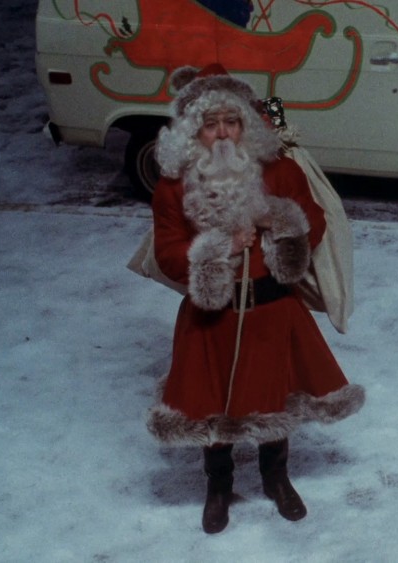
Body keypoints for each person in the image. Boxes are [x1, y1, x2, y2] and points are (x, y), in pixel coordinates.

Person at [146, 63, 365, 534]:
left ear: (247, 124)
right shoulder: (173, 186)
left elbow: (315, 224)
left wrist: (276, 218)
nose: (223, 133)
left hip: (271, 310)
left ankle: (276, 477)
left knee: (274, 400)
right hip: (211, 316)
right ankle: (218, 485)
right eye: (211, 124)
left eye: (233, 121)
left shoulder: (279, 171)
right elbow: (167, 253)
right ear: (193, 132)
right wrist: (220, 246)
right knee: (212, 405)